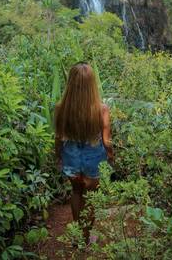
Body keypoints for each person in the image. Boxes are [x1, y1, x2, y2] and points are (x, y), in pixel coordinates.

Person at [54, 62, 114, 242]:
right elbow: (106, 141)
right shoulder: (101, 109)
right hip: (94, 159)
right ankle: (88, 234)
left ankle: (79, 235)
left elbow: (58, 138)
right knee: (91, 197)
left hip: (71, 157)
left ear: (70, 83)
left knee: (77, 193)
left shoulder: (60, 108)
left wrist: (58, 156)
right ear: (92, 85)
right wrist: (111, 156)